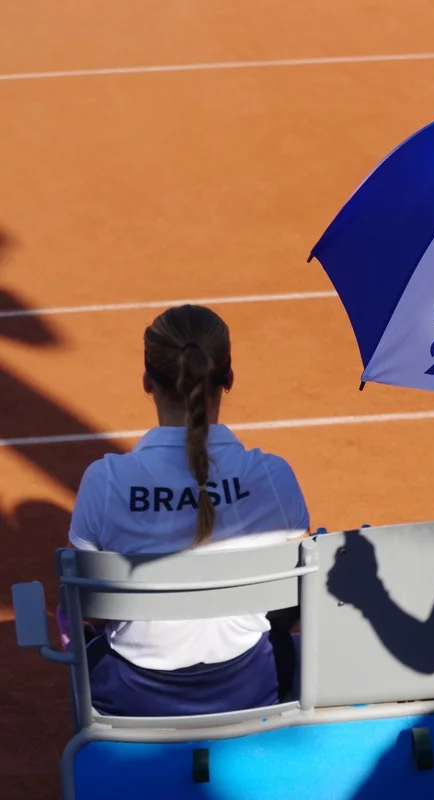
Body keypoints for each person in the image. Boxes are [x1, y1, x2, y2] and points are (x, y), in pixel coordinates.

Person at [65, 304, 310, 717]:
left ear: (147, 382)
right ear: (228, 379)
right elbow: (297, 595)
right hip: (251, 689)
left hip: (132, 698)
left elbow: (88, 610)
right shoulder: (273, 475)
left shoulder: (104, 481)